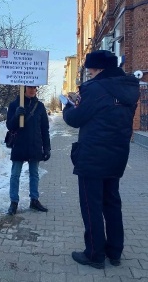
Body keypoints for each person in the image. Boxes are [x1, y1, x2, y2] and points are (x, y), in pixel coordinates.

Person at [62, 50, 140, 269]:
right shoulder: (129, 89)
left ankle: (95, 254)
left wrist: (69, 105)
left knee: (91, 206)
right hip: (117, 155)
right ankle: (115, 252)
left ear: (99, 69)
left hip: (92, 157)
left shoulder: (95, 89)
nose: (90, 74)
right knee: (112, 203)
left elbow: (76, 119)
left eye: (91, 70)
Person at [6, 86, 51, 215]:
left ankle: (34, 200)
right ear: (24, 89)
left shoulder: (40, 106)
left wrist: (47, 147)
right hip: (19, 144)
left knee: (34, 174)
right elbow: (9, 126)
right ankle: (14, 202)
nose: (32, 90)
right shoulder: (14, 104)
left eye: (34, 88)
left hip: (34, 145)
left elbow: (44, 129)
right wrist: (16, 115)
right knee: (15, 174)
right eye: (30, 88)